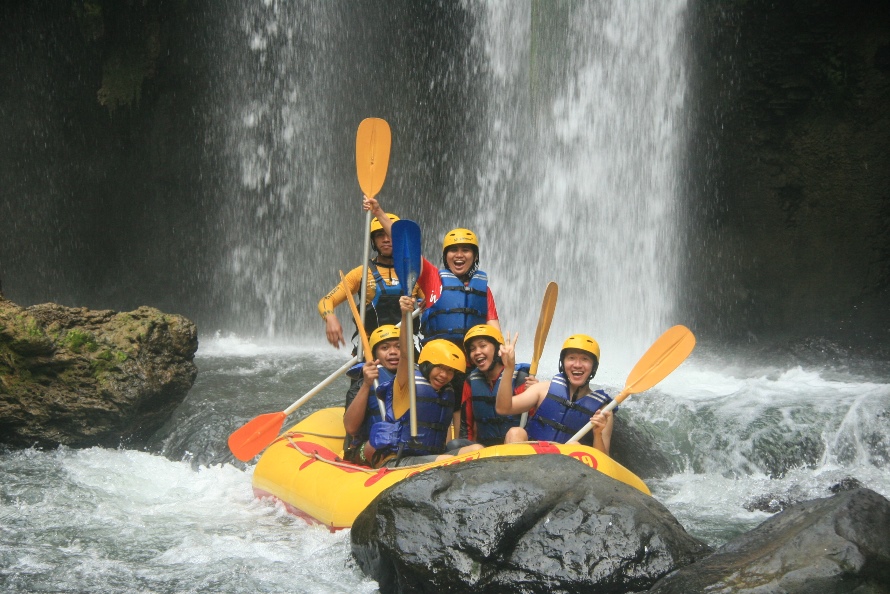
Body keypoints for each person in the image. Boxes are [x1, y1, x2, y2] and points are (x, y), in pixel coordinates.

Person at [363, 196, 500, 434]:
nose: (459, 255)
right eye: (453, 250)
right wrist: (379, 212)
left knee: (466, 418)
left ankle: (467, 441)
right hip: (436, 366)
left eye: (466, 250)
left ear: (474, 256)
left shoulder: (483, 290)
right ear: (445, 255)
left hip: (470, 366)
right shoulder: (433, 279)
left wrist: (506, 362)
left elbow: (494, 330)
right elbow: (406, 245)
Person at [368, 296, 483, 467]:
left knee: (477, 449)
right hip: (398, 460)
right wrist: (405, 316)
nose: (444, 375)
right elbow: (405, 354)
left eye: (450, 370)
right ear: (427, 365)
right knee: (447, 461)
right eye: (439, 368)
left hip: (431, 457)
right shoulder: (406, 383)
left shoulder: (446, 391)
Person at [317, 212, 425, 350]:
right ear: (373, 241)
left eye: (390, 234)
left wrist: (428, 303)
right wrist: (330, 318)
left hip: (406, 348)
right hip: (370, 347)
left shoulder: (415, 272)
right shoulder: (360, 273)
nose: (386, 239)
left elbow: (434, 303)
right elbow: (326, 300)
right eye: (380, 235)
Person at [495, 333, 614, 454]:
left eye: (585, 359)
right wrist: (509, 368)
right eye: (571, 358)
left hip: (568, 464)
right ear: (563, 363)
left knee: (575, 446)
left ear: (593, 367)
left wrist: (597, 434)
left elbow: (603, 459)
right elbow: (503, 408)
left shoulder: (603, 411)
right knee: (515, 432)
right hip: (531, 459)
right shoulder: (543, 389)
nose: (577, 365)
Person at [461, 325, 538, 446]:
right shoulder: (471, 382)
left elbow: (537, 421)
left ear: (497, 349)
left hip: (518, 447)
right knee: (456, 445)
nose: (477, 352)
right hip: (485, 450)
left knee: (515, 433)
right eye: (472, 349)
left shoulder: (521, 378)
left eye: (483, 346)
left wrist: (537, 397)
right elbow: (467, 427)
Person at [342, 324, 400, 466]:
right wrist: (367, 384)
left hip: (403, 443)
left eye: (399, 347)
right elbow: (351, 428)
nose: (393, 352)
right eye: (385, 348)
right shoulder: (361, 385)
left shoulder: (417, 379)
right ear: (375, 355)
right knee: (377, 445)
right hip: (370, 446)